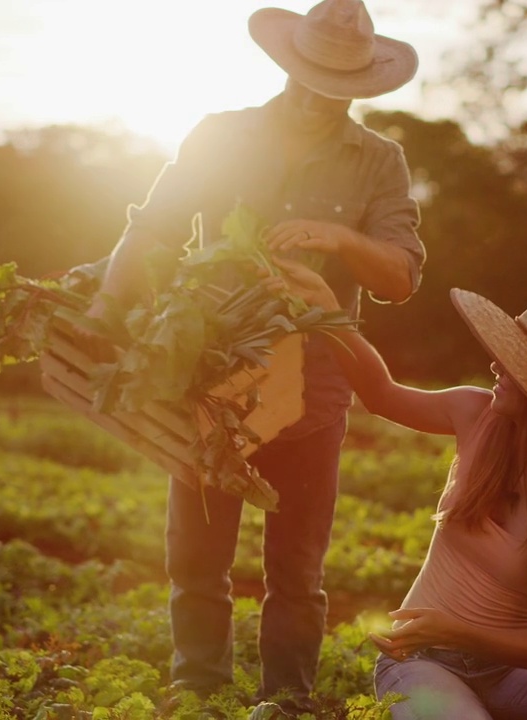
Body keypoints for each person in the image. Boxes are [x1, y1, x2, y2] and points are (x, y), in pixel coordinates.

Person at [76, 0, 425, 715]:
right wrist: (105, 309)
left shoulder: (378, 161)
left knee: (296, 567)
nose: (311, 93)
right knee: (197, 556)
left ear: (359, 86)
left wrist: (339, 238)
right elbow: (152, 225)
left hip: (316, 380)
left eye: (331, 83)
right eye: (303, 75)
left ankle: (286, 701)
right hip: (210, 370)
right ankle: (197, 690)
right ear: (284, 64)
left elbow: (400, 277)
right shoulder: (221, 135)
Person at [262, 258, 527, 719]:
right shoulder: (474, 413)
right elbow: (380, 393)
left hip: (517, 676)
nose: (495, 364)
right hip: (421, 663)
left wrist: (453, 630)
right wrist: (328, 310)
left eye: (512, 363)